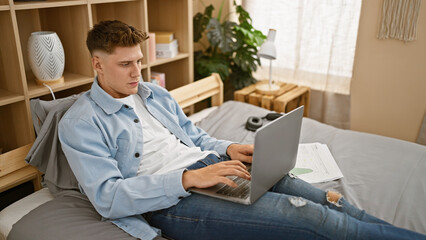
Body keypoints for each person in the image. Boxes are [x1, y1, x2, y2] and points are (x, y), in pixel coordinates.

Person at [58, 20, 426, 240]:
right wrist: (189, 178)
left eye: (139, 61)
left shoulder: (153, 93)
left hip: (215, 165)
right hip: (174, 199)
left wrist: (230, 148)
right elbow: (107, 198)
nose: (138, 72)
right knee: (314, 219)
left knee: (333, 202)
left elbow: (195, 136)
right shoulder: (80, 123)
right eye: (125, 65)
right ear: (97, 65)